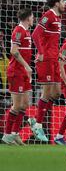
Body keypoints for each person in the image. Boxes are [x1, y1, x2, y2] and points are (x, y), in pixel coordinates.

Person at [29, 0, 66, 142]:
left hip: (53, 59)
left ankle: (35, 119)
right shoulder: (49, 15)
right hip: (45, 60)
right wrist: (40, 52)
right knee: (46, 93)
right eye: (63, 1)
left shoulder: (58, 18)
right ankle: (38, 124)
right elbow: (35, 34)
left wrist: (59, 54)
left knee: (57, 93)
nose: (65, 4)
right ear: (57, 3)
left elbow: (50, 41)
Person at [2, 9, 34, 145]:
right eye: (32, 17)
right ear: (27, 18)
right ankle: (7, 135)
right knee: (17, 105)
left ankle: (15, 134)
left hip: (24, 73)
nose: (34, 19)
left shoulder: (27, 32)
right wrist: (27, 66)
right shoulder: (19, 30)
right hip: (16, 72)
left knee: (25, 104)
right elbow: (14, 51)